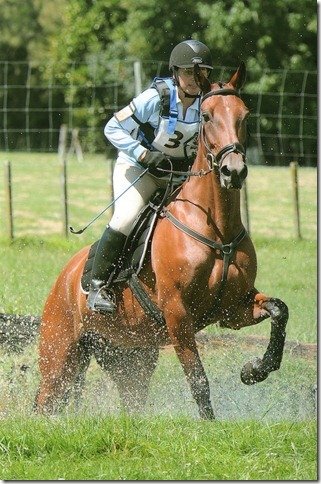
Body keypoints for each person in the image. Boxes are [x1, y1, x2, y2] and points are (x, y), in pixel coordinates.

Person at [87, 39, 213, 313]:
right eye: (188, 72)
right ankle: (98, 287)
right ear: (175, 72)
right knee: (127, 218)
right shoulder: (156, 97)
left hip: (179, 175)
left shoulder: (208, 102)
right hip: (139, 169)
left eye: (202, 72)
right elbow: (112, 127)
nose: (195, 79)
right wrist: (142, 153)